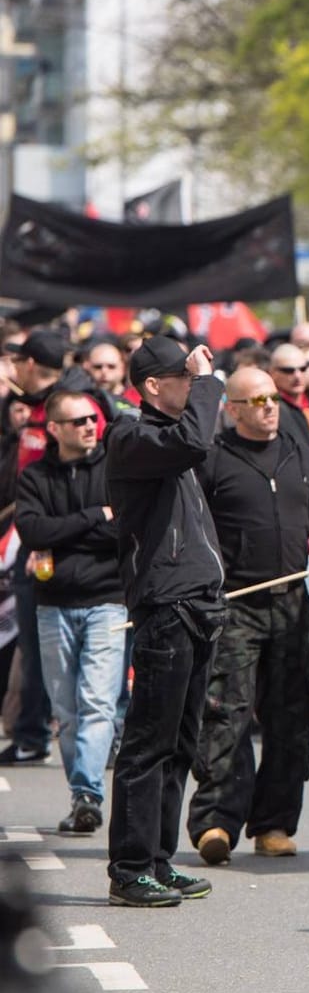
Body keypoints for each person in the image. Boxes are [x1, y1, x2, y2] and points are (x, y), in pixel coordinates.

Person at [188, 367, 309, 865]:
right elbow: (195, 528)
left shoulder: (300, 454)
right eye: (255, 400)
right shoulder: (213, 461)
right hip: (235, 606)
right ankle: (216, 821)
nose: (269, 406)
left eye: (272, 397)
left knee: (291, 716)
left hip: (291, 603)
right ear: (232, 410)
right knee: (225, 715)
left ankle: (274, 823)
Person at [104, 336, 225, 907]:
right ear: (153, 386)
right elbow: (194, 440)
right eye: (182, 376)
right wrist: (208, 383)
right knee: (147, 744)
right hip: (166, 607)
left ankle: (158, 857)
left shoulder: (171, 442)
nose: (192, 382)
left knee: (181, 743)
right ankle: (129, 869)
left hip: (198, 602)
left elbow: (196, 444)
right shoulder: (131, 435)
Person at [15, 391, 124, 835]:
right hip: (53, 605)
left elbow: (123, 530)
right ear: (54, 429)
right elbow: (32, 529)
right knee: (68, 711)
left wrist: (63, 535)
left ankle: (87, 794)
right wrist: (94, 516)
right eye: (77, 420)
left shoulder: (115, 470)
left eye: (92, 418)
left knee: (98, 703)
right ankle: (82, 793)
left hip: (107, 602)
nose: (88, 426)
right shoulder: (35, 476)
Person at [0, 331, 67, 769]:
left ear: (27, 363)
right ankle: (31, 732)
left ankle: (36, 732)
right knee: (33, 635)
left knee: (45, 640)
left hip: (52, 543)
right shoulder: (33, 409)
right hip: (31, 541)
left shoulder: (62, 412)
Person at [269, 343, 309, 454]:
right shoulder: (270, 408)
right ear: (273, 373)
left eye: (302, 369)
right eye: (289, 370)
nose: (297, 376)